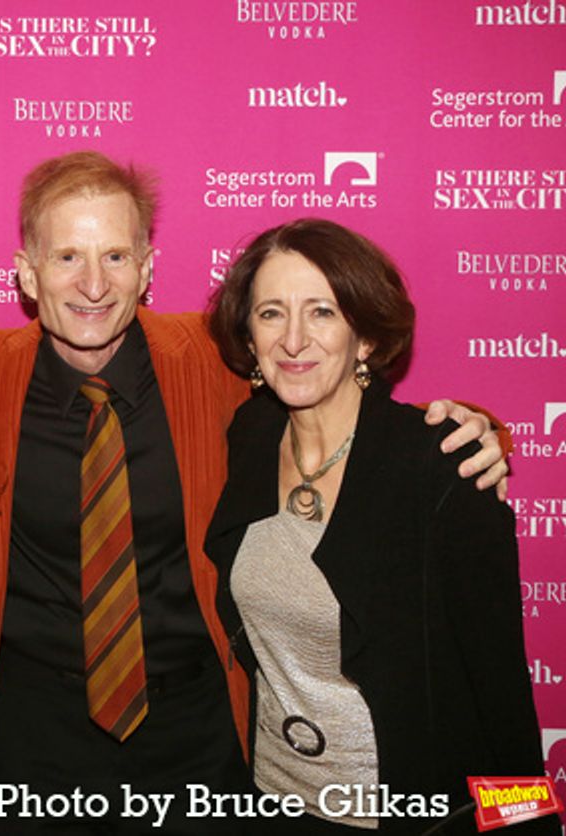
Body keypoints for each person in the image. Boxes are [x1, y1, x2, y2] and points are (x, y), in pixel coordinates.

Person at [0, 151, 511, 834]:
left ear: (148, 269)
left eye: (117, 257)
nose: (93, 284)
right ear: (26, 274)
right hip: (35, 747)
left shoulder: (218, 362)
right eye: (68, 256)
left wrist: (475, 429)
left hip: (199, 743)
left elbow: (327, 385)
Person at [204, 219, 552, 834]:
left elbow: (499, 692)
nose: (293, 339)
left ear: (363, 336)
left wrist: (528, 821)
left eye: (322, 313)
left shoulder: (443, 467)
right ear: (248, 337)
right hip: (270, 802)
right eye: (270, 314)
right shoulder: (251, 437)